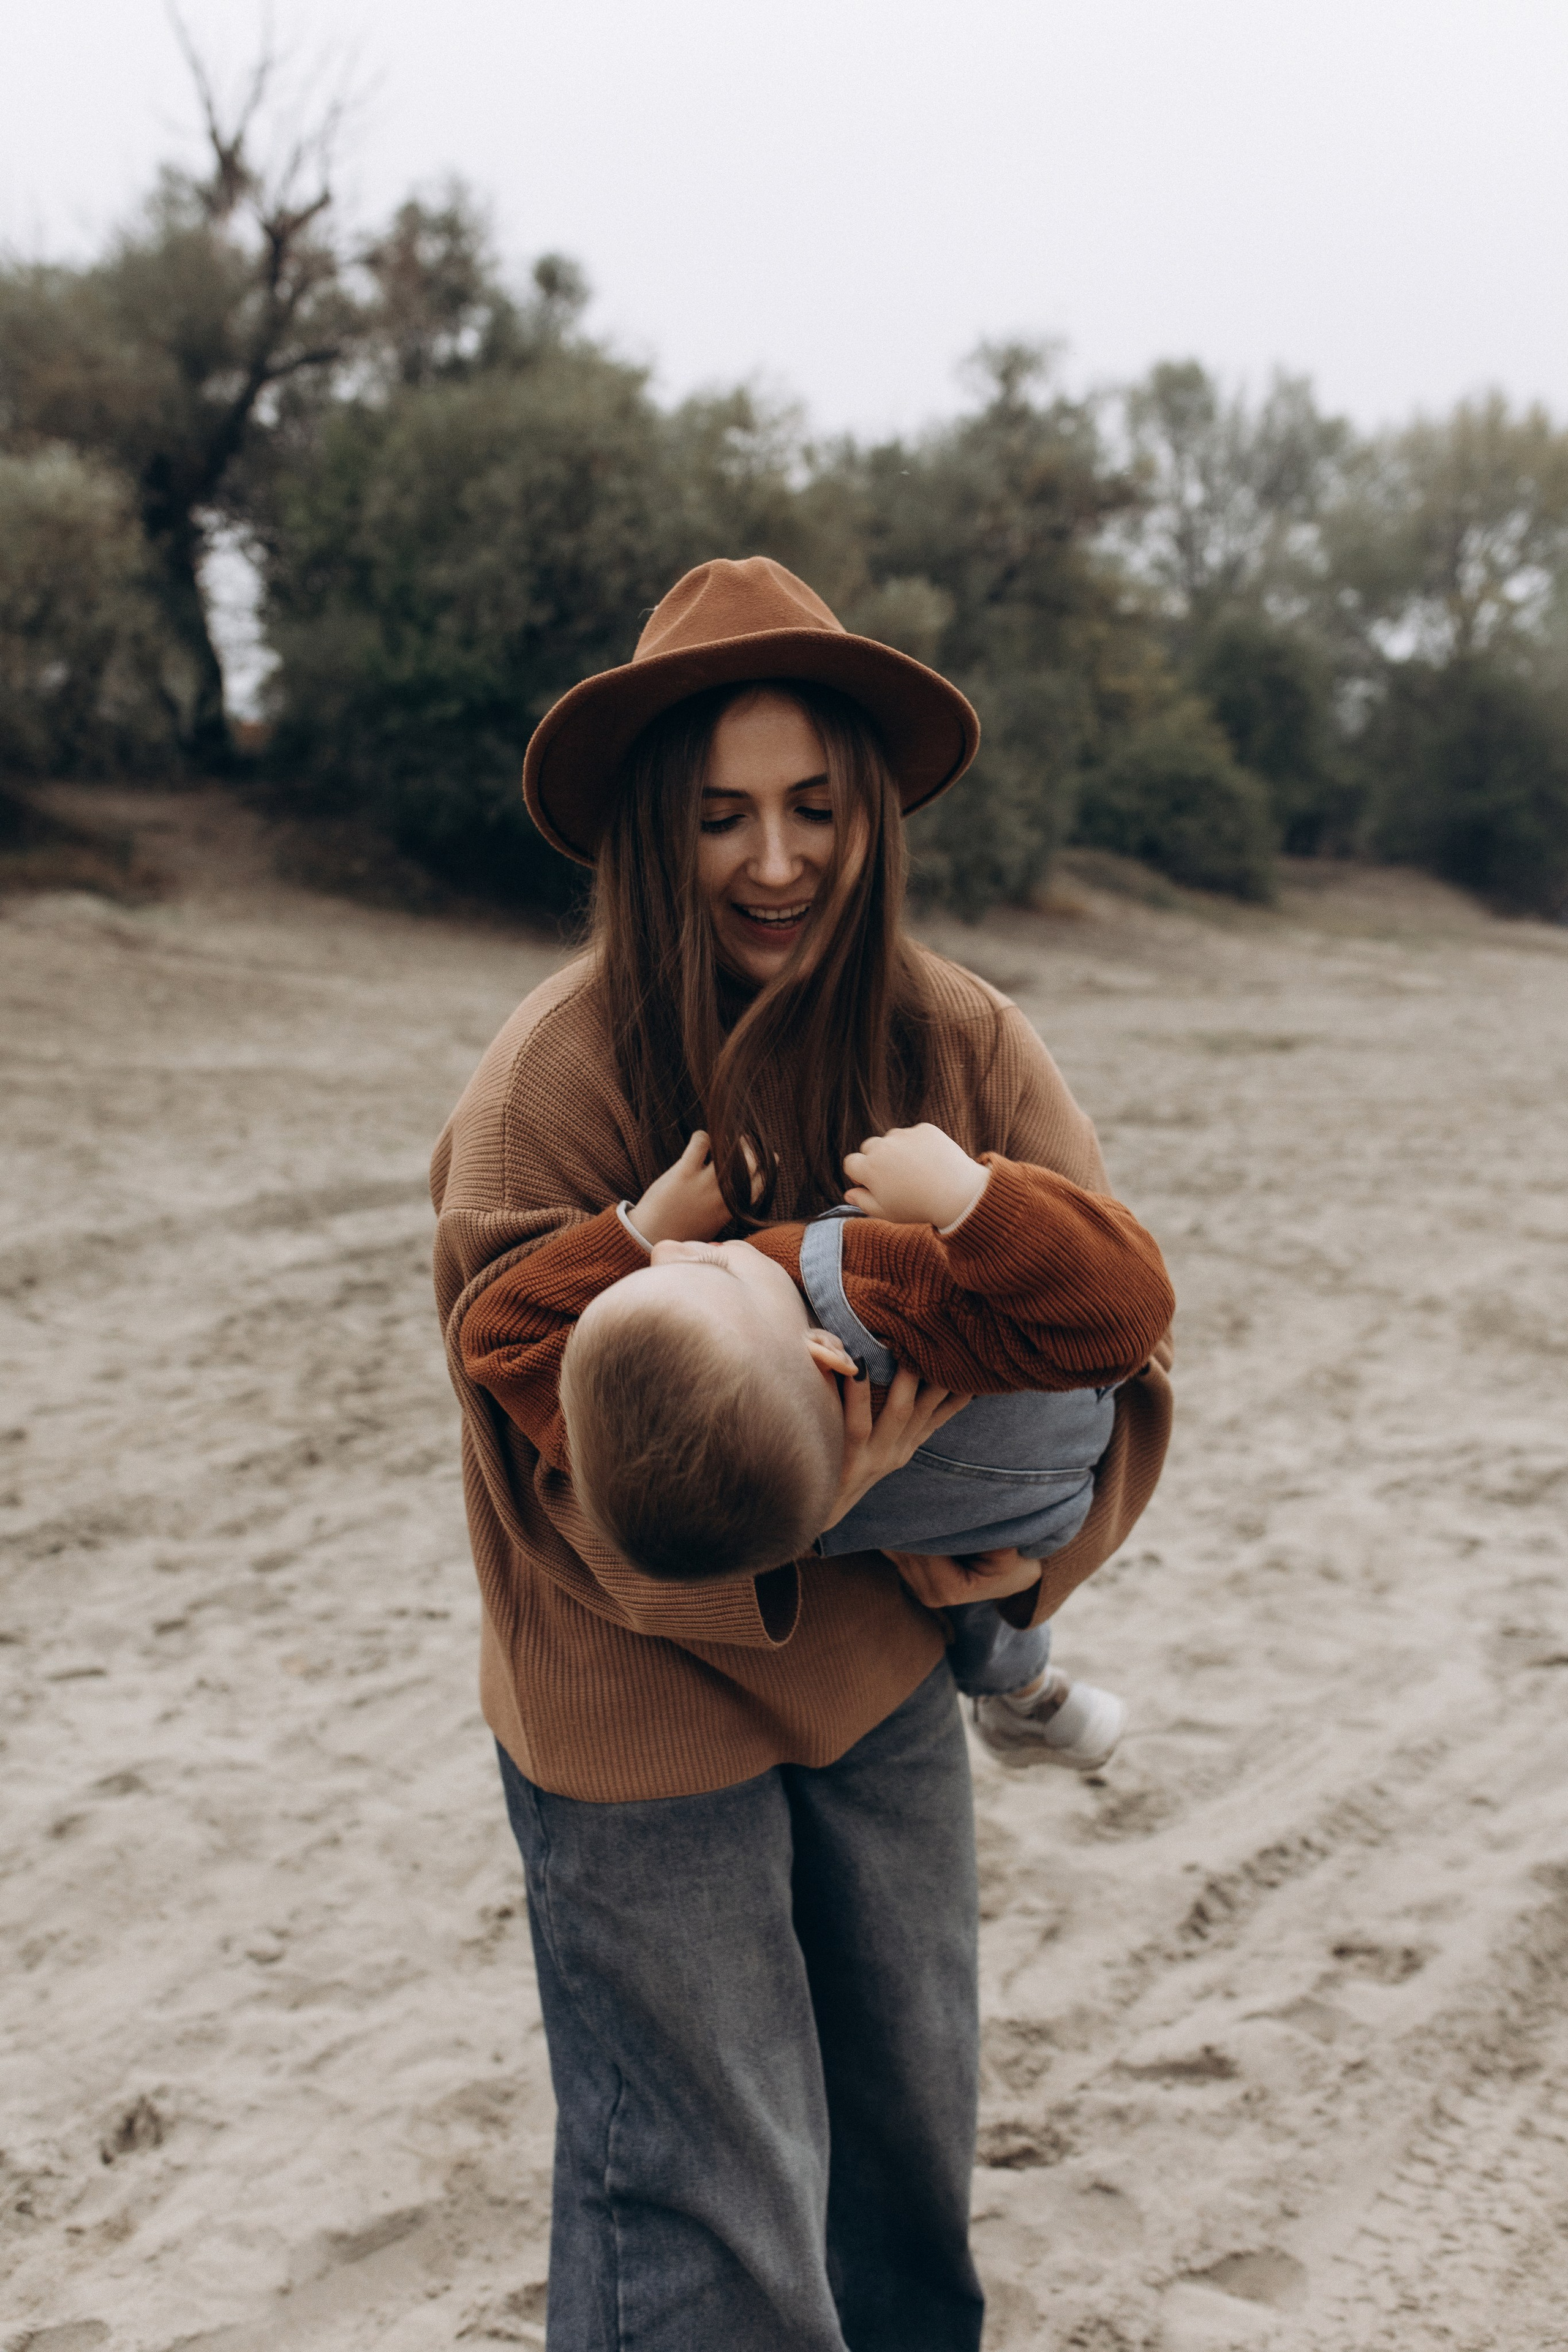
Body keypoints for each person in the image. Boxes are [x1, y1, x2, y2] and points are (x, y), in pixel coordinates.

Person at [432, 556, 1174, 2352]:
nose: (773, 858)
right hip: (634, 1693)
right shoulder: (555, 1083)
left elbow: (1119, 1343)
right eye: (721, 816)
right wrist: (805, 1497)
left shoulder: (959, 1040)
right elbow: (543, 1440)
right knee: (704, 2204)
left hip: (880, 1671)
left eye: (813, 807)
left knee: (901, 2178)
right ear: (649, 835)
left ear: (872, 814)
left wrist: (998, 1563)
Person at [461, 1117, 1175, 1773]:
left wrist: (641, 1233)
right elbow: (1125, 1320)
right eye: (708, 1264)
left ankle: (1021, 1689)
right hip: (1039, 1499)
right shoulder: (880, 1294)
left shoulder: (757, 1485)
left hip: (987, 1523)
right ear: (823, 1354)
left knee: (926, 1534)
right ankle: (1019, 1685)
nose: (676, 1249)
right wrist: (967, 1199)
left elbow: (502, 1340)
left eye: (655, 1268)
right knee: (959, 1527)